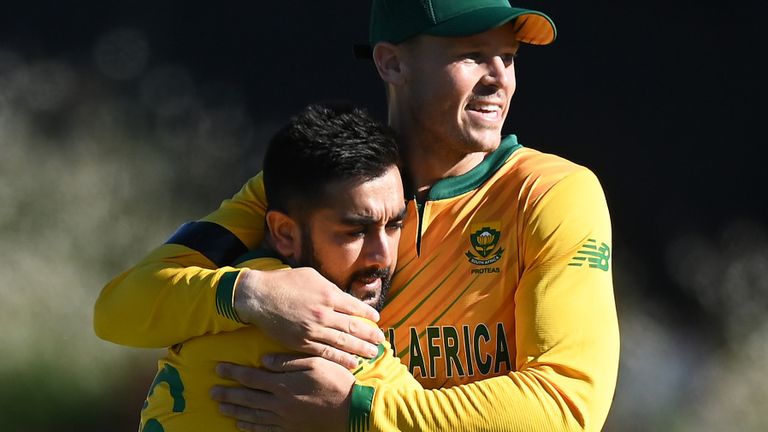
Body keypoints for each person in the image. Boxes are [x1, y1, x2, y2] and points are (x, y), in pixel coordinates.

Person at [94, 1, 620, 431]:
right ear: (391, 63)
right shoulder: (318, 178)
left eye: (508, 57)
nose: (498, 79)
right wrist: (252, 295)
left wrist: (360, 412)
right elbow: (121, 306)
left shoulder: (551, 194)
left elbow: (569, 409)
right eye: (471, 55)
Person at [138, 102, 422, 431]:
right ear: (284, 232)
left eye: (394, 225)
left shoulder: (210, 282)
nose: (382, 255)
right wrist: (356, 410)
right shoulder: (327, 326)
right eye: (356, 231)